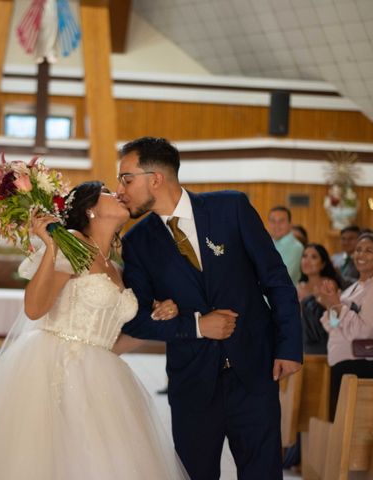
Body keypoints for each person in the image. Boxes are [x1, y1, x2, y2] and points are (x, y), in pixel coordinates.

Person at [0, 182, 189, 480]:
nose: (120, 195)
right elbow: (34, 309)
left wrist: (160, 314)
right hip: (58, 366)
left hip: (102, 373)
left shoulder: (115, 265)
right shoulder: (73, 244)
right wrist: (50, 247)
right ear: (91, 209)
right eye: (110, 194)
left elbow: (111, 341)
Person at [116, 137, 302, 480]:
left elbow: (276, 280)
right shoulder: (137, 243)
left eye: (126, 179)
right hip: (192, 384)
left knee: (262, 472)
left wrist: (289, 347)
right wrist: (197, 326)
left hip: (255, 372)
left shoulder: (231, 207)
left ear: (155, 178)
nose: (121, 190)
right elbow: (138, 321)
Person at [318, 233, 373, 416]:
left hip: (364, 366)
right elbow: (331, 325)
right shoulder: (355, 287)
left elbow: (363, 333)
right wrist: (332, 302)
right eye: (358, 250)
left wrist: (336, 304)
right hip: (346, 365)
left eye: (368, 250)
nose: (361, 255)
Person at [297, 243, 342, 355]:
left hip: (326, 343)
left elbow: (336, 317)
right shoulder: (298, 287)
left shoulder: (329, 284)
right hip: (301, 342)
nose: (307, 261)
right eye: (304, 256)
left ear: (323, 264)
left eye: (313, 257)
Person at [268, 205, 304, 283]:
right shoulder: (268, 243)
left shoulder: (296, 247)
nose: (276, 225)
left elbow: (282, 276)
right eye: (273, 221)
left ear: (290, 224)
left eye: (281, 221)